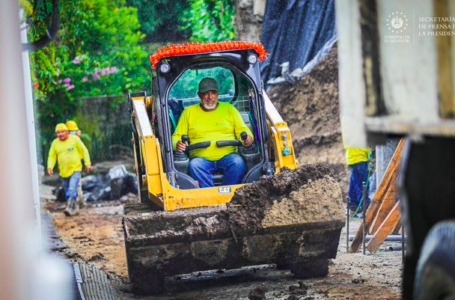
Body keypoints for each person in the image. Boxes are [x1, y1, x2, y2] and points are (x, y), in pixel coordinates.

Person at [172, 77, 253, 188]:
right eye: (206, 93)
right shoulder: (188, 113)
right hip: (200, 159)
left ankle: (228, 195)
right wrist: (177, 144)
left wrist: (248, 138)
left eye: (213, 93)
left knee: (238, 162)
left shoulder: (230, 109)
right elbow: (176, 136)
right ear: (199, 95)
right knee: (194, 165)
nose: (210, 97)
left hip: (228, 156)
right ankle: (209, 195)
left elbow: (243, 130)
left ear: (218, 93)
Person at [47, 123, 91, 216]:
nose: (61, 134)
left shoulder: (74, 139)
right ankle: (75, 209)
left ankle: (70, 207)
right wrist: (50, 167)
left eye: (62, 132)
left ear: (67, 132)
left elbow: (84, 150)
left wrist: (87, 163)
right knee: (68, 190)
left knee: (72, 189)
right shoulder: (55, 143)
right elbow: (52, 156)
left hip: (75, 169)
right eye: (58, 133)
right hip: (63, 171)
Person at [66, 120, 89, 208]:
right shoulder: (76, 139)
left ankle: (73, 202)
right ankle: (79, 202)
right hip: (75, 166)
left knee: (70, 185)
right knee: (77, 184)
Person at [345, 146, 371, 216]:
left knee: (354, 183)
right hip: (359, 157)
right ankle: (365, 207)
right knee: (362, 184)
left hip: (352, 158)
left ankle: (353, 206)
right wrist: (369, 151)